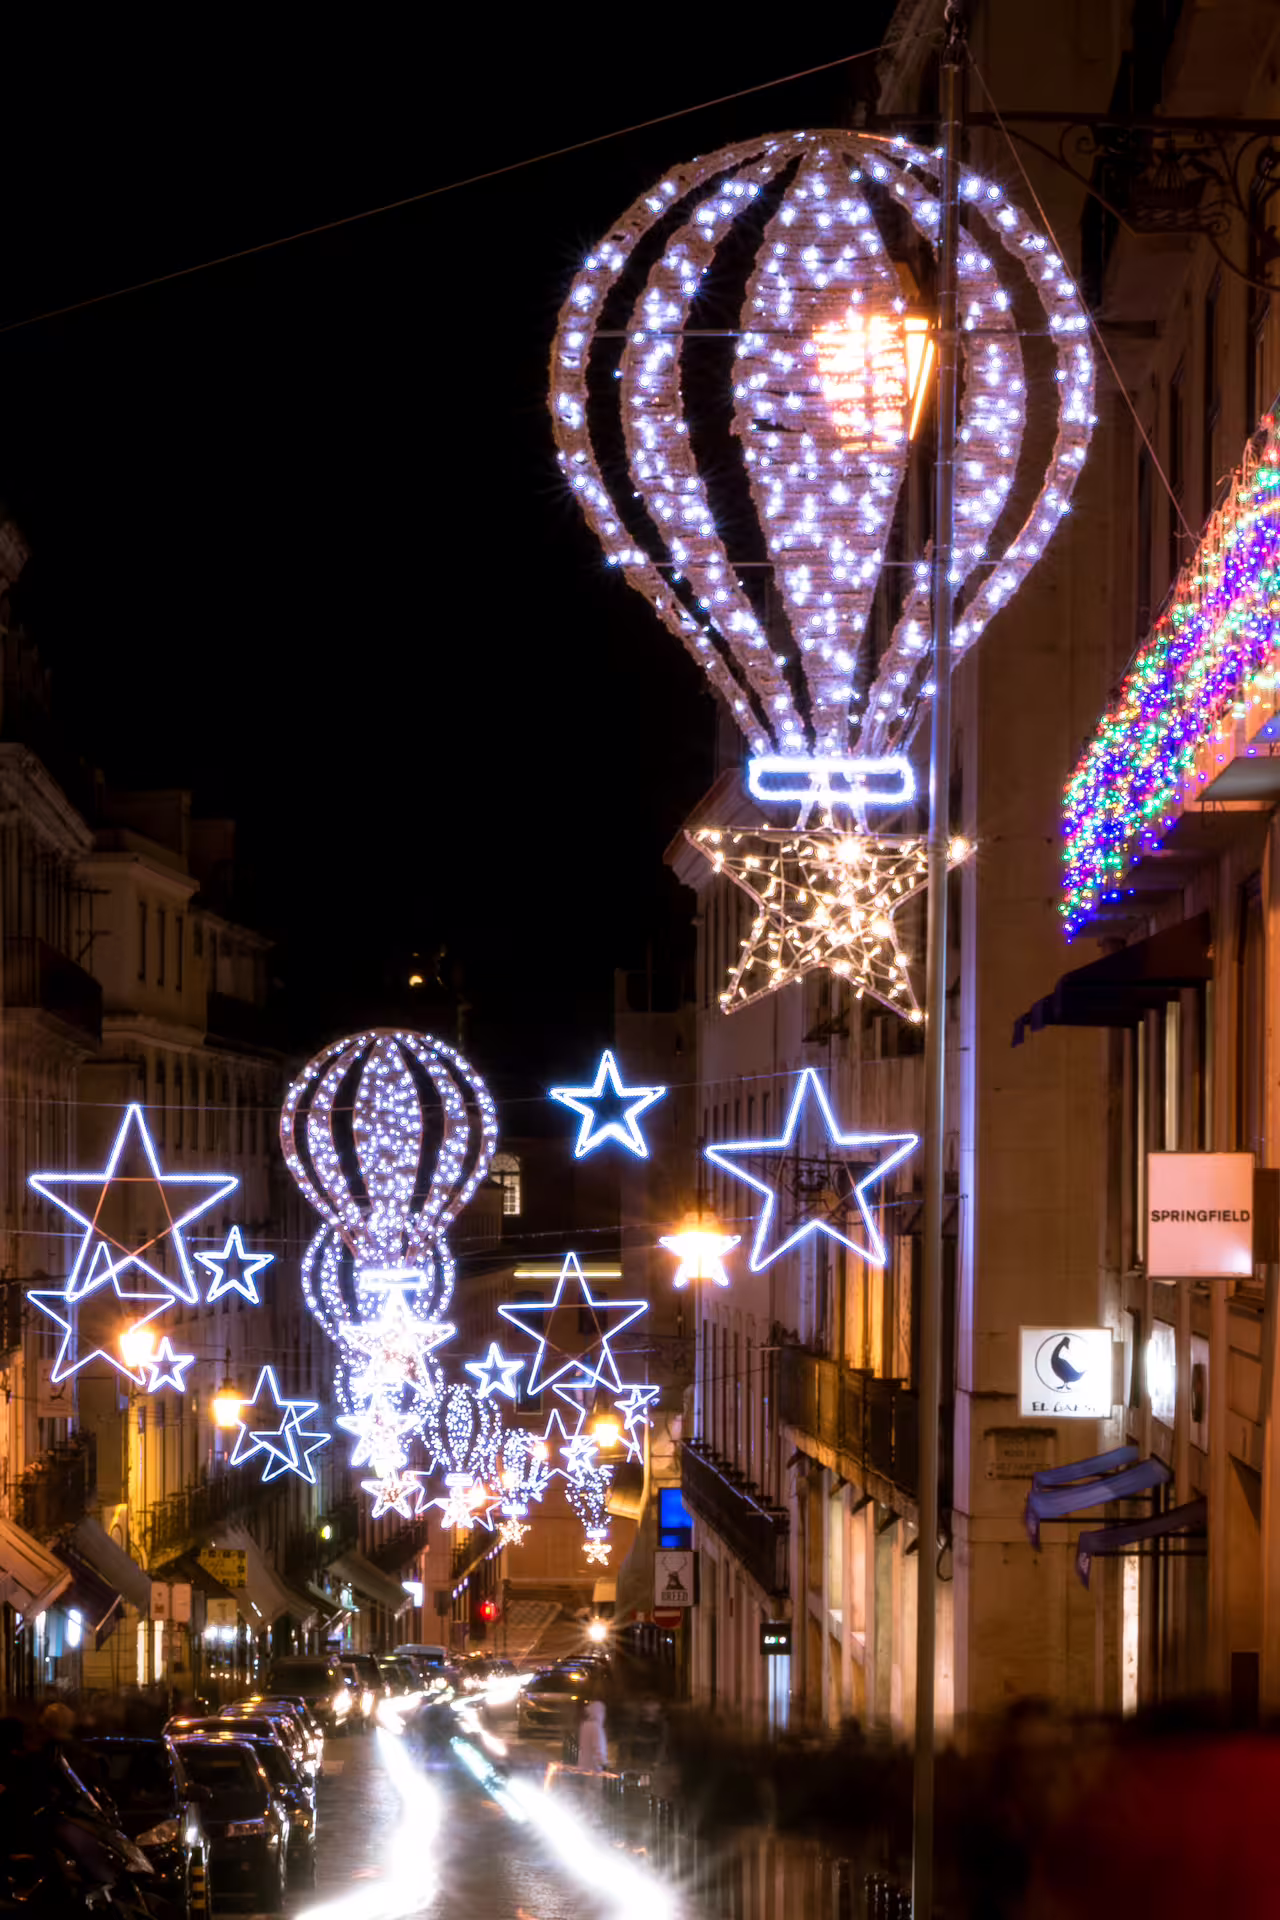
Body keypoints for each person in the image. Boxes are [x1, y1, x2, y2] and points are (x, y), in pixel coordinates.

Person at [577, 1697, 608, 1772]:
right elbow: (598, 1748)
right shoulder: (596, 1727)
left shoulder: (584, 1725)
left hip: (583, 1767)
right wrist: (604, 1764)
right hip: (594, 1769)